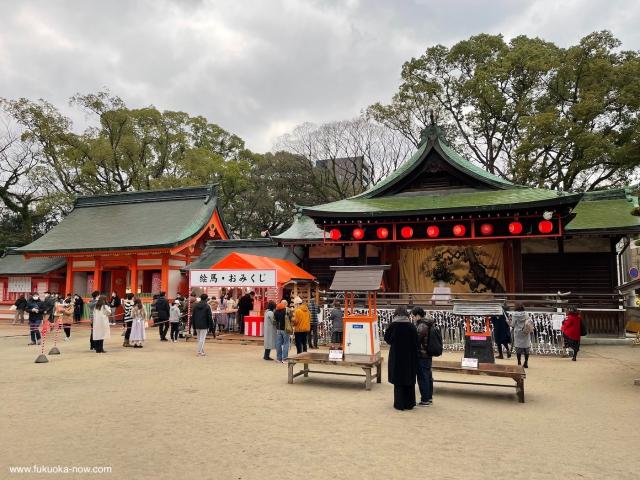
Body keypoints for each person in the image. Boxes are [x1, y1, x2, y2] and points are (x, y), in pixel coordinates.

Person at [384, 306, 418, 411]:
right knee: (409, 379)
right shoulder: (411, 326)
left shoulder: (393, 326)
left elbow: (387, 339)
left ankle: (399, 404)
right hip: (410, 356)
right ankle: (409, 403)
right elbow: (416, 341)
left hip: (396, 356)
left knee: (398, 381)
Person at [413, 306, 437, 407]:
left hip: (422, 354)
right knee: (428, 376)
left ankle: (425, 399)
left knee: (423, 377)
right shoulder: (429, 323)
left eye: (413, 316)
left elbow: (416, 339)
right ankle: (429, 398)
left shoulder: (422, 325)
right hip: (428, 354)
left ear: (418, 315)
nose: (413, 318)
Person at [510, 304, 533, 368]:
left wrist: (509, 322)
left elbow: (513, 324)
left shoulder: (514, 315)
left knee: (518, 347)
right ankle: (526, 362)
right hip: (525, 331)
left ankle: (519, 362)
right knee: (526, 347)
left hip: (518, 332)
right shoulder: (526, 314)